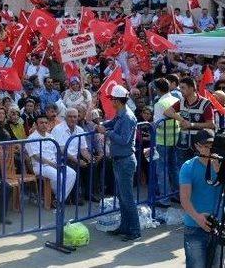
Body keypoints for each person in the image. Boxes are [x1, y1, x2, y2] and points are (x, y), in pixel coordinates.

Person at [95, 85, 141, 241]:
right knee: (122, 197)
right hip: (120, 161)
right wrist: (103, 125)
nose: (111, 102)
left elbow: (123, 139)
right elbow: (112, 122)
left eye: (112, 100)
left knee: (127, 198)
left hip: (125, 161)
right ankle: (125, 226)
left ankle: (134, 230)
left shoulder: (127, 117)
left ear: (117, 101)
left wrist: (105, 132)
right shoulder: (121, 113)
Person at [179, 129, 221, 268]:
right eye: (205, 146)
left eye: (211, 146)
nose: (209, 149)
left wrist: (219, 173)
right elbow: (184, 199)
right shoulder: (188, 167)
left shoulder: (220, 165)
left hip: (218, 227)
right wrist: (198, 218)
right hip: (194, 227)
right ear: (197, 146)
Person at [164, 77, 215, 167]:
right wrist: (182, 120)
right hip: (183, 143)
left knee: (199, 168)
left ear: (192, 88)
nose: (180, 90)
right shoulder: (181, 102)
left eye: (183, 88)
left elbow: (211, 124)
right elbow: (167, 112)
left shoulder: (205, 103)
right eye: (180, 88)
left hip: (200, 144)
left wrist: (191, 125)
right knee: (182, 168)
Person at [26, 115, 77, 203]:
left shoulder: (50, 136)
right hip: (41, 166)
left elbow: (56, 151)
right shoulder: (32, 138)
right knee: (59, 176)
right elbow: (36, 156)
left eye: (46, 123)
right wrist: (52, 164)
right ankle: (60, 198)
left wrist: (60, 162)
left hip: (54, 163)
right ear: (36, 124)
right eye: (41, 123)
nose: (44, 125)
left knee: (72, 173)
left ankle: (59, 199)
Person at [51, 108, 92, 203]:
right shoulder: (58, 129)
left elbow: (83, 149)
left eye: (75, 117)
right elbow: (61, 150)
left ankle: (89, 194)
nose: (72, 119)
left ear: (78, 118)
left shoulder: (80, 130)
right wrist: (77, 160)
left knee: (92, 165)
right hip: (60, 158)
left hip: (73, 157)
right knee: (75, 166)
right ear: (65, 118)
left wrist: (90, 158)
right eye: (70, 117)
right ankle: (76, 196)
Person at [152, 78, 180, 207]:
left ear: (158, 89)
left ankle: (164, 199)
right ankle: (177, 195)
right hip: (175, 139)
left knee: (162, 170)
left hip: (162, 141)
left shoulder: (160, 103)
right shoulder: (175, 100)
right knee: (174, 169)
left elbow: (157, 124)